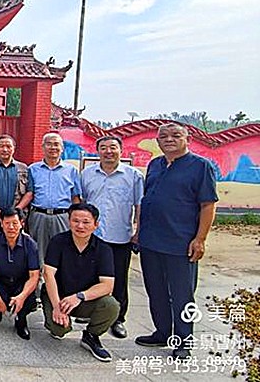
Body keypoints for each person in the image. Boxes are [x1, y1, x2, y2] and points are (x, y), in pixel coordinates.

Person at [134, 123, 218, 359]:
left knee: (182, 294)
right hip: (151, 240)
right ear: (157, 141)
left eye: (175, 135)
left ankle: (184, 340)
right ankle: (162, 332)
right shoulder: (155, 165)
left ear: (187, 139)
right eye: (164, 136)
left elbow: (208, 205)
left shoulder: (200, 166)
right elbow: (147, 199)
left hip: (180, 242)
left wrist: (200, 239)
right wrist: (139, 231)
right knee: (156, 290)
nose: (169, 139)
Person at [81, 135, 144, 339]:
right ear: (97, 151)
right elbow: (82, 202)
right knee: (89, 274)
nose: (108, 151)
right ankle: (90, 311)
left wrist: (138, 231)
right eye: (104, 148)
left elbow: (139, 205)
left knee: (118, 278)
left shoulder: (133, 176)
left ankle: (118, 319)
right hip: (91, 235)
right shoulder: (87, 174)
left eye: (113, 147)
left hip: (119, 235)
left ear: (121, 150)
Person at [41, 203, 119, 362]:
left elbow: (107, 285)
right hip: (58, 297)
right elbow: (48, 274)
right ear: (69, 221)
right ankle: (56, 321)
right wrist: (57, 307)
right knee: (59, 330)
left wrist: (79, 296)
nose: (80, 226)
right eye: (75, 221)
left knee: (111, 305)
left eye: (86, 222)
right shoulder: (58, 242)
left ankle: (91, 335)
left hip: (84, 300)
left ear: (96, 224)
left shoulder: (103, 249)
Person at [0, 208, 39, 340]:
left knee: (29, 299)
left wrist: (21, 296)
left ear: (21, 223)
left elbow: (34, 276)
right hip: (1, 281)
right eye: (7, 223)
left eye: (15, 223)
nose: (11, 227)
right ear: (1, 223)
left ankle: (21, 320)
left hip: (21, 282)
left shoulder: (30, 244)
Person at [27, 132, 81, 264]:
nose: (53, 147)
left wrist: (75, 218)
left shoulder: (71, 170)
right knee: (37, 252)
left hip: (62, 216)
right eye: (49, 144)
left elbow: (75, 197)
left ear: (62, 148)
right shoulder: (33, 169)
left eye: (56, 144)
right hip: (38, 216)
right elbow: (28, 195)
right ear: (42, 147)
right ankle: (39, 276)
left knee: (63, 251)